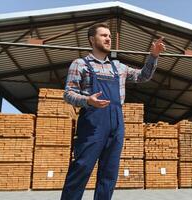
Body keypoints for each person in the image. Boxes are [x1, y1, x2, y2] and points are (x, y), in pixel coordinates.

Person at [61, 23, 165, 200]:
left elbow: (143, 76)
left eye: (109, 36)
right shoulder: (80, 64)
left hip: (116, 124)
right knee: (81, 168)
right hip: (92, 124)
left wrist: (153, 56)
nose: (108, 38)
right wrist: (87, 100)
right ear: (92, 40)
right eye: (103, 35)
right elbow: (68, 94)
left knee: (109, 174)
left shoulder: (119, 67)